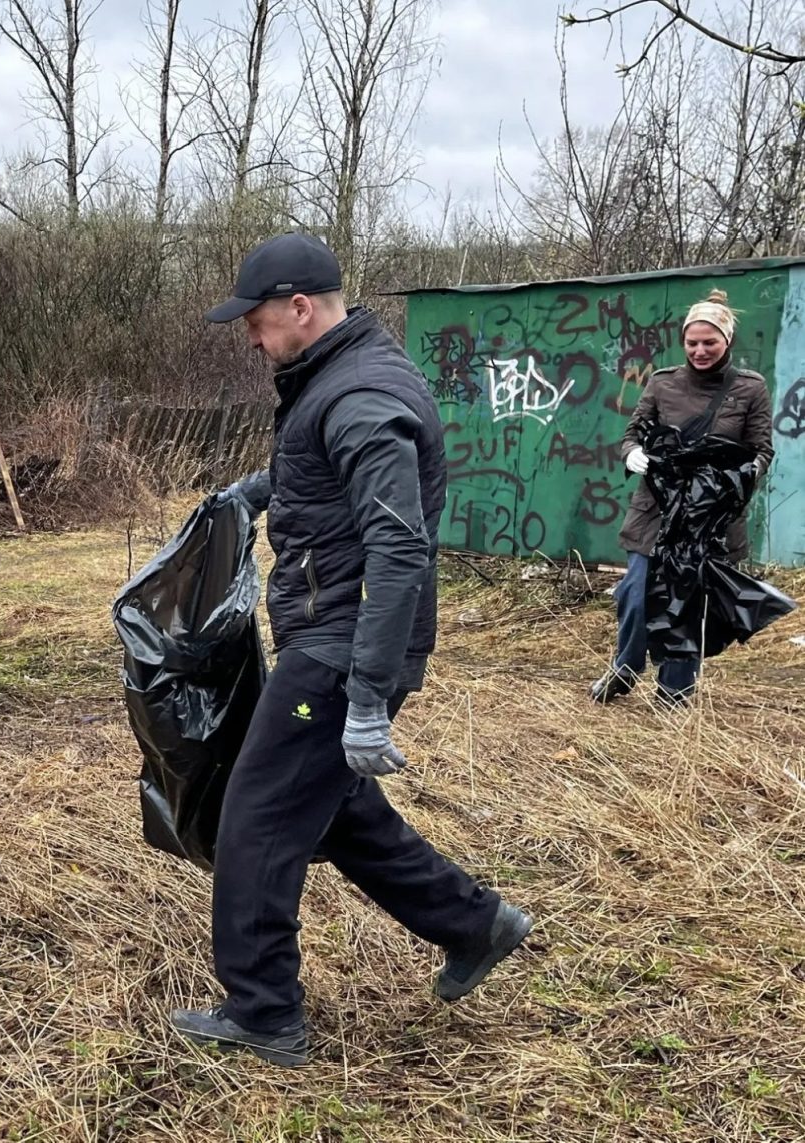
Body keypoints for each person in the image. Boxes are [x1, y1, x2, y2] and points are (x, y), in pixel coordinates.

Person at [170, 233, 531, 1067]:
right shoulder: (335, 377)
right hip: (334, 632)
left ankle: (264, 1012)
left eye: (257, 324)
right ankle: (477, 923)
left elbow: (399, 544)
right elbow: (324, 479)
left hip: (341, 646)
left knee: (256, 814)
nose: (253, 341)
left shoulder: (361, 391)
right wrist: (252, 495)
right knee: (333, 806)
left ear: (300, 308)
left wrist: (367, 694)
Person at [591, 290, 775, 708]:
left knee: (689, 604)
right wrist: (632, 454)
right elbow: (633, 433)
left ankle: (675, 691)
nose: (699, 350)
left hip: (709, 518)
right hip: (655, 511)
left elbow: (762, 449)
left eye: (709, 342)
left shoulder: (749, 389)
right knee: (635, 593)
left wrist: (745, 474)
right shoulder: (663, 382)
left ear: (727, 340)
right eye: (692, 342)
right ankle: (625, 666)